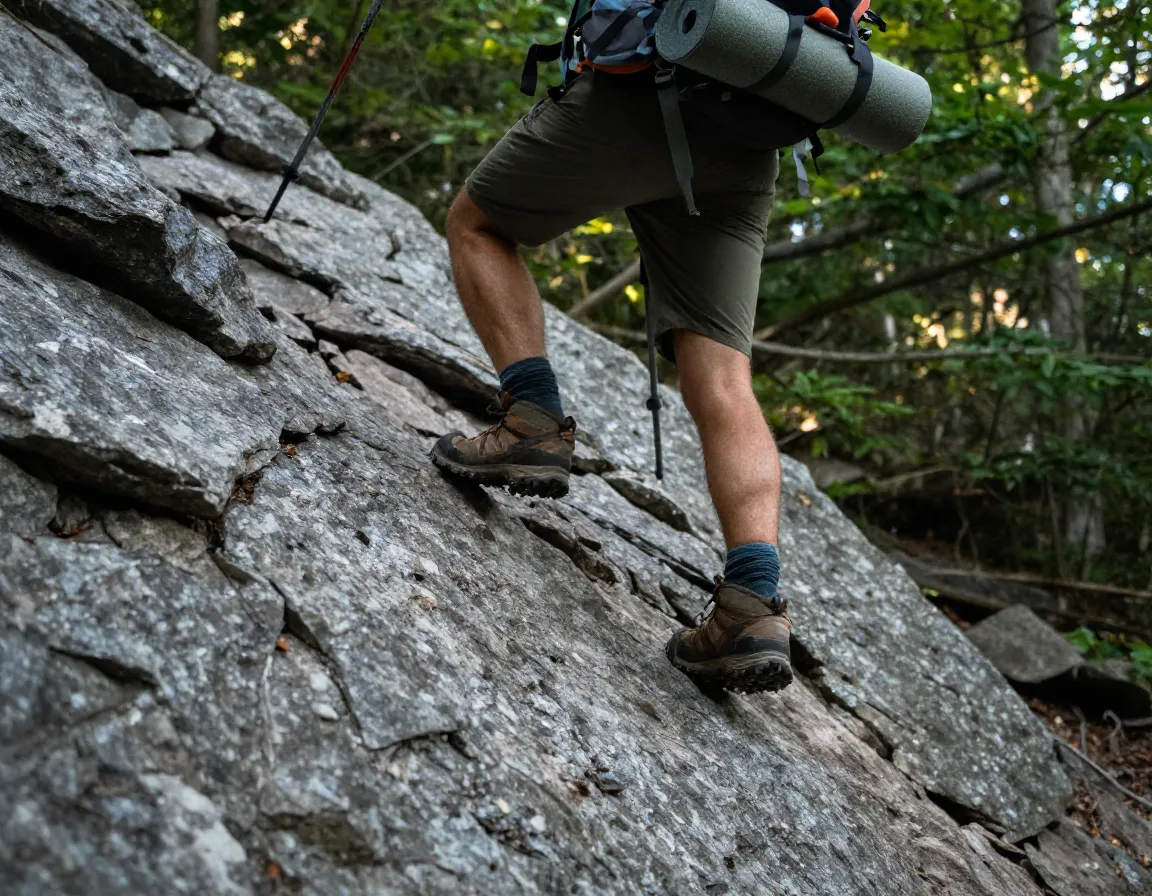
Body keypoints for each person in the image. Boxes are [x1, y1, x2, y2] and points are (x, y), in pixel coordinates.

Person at [430, 66, 792, 695]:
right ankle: (752, 603)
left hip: (645, 100)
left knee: (477, 225)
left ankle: (532, 421)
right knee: (726, 376)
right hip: (750, 143)